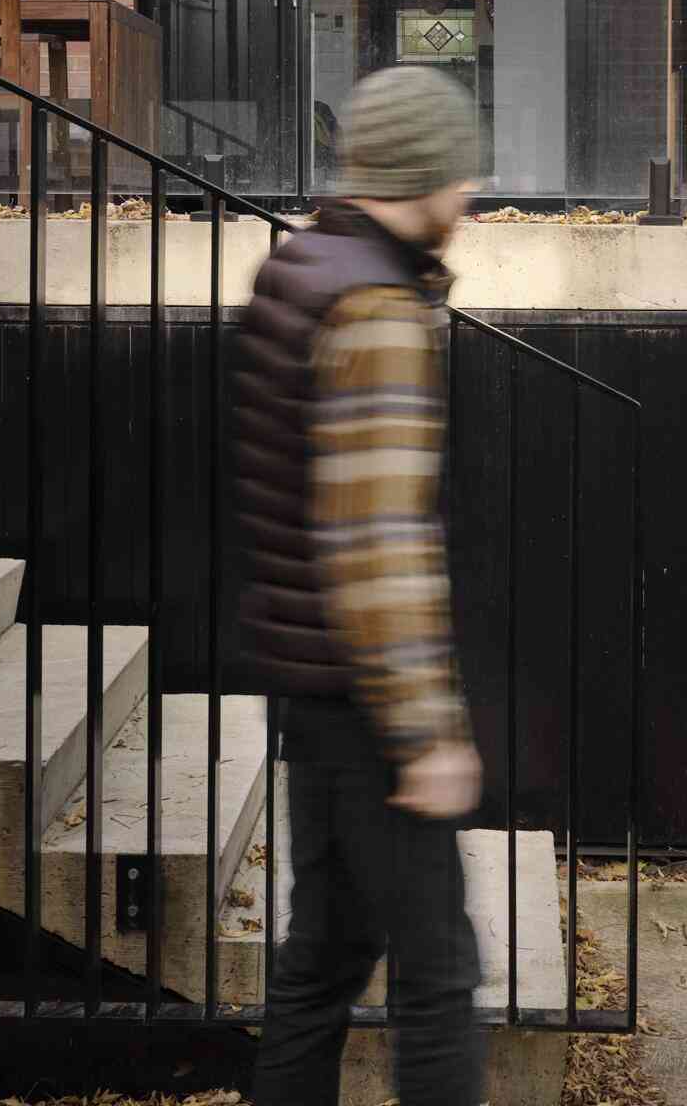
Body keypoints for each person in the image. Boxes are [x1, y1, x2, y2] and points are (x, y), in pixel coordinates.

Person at [235, 65, 486, 1106]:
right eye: (462, 172)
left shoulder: (300, 264)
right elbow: (377, 539)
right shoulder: (376, 306)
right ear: (423, 172)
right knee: (439, 979)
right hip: (370, 701)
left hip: (311, 681)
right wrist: (427, 729)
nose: (471, 195)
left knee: (323, 959)